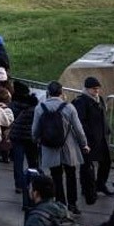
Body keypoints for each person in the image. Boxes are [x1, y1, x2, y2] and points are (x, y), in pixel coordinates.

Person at [33, 81, 88, 215]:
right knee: (71, 175)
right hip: (68, 146)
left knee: (56, 176)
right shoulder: (69, 107)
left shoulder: (40, 108)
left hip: (49, 147)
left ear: (48, 92)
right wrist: (84, 144)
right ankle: (72, 204)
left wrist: (37, 140)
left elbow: (35, 130)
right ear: (61, 92)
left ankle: (60, 203)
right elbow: (78, 129)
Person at [73, 76, 114, 203]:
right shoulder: (81, 101)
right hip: (89, 140)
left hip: (102, 137)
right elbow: (80, 122)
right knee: (87, 165)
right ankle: (86, 188)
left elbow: (103, 116)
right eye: (94, 89)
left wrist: (107, 129)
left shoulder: (99, 99)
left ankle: (100, 184)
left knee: (106, 162)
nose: (97, 91)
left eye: (98, 88)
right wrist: (88, 135)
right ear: (87, 89)